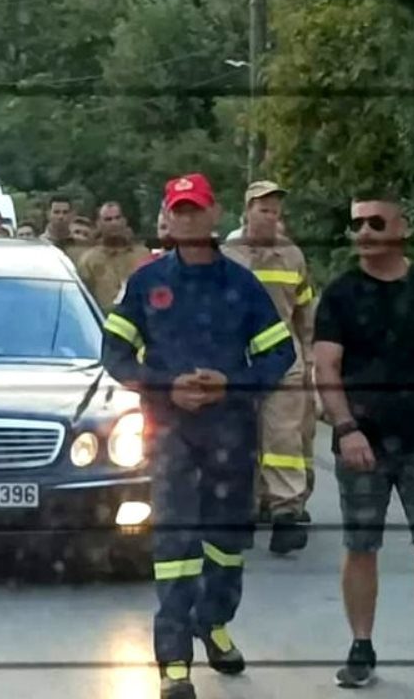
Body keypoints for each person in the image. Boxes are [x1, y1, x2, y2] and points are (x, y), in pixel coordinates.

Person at [101, 173, 295, 699]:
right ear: (167, 217)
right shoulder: (145, 284)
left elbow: (281, 354)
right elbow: (114, 354)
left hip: (230, 431)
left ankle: (213, 622)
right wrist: (165, 386)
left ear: (213, 216)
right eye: (178, 210)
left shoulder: (241, 284)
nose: (187, 219)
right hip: (170, 433)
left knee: (227, 546)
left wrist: (233, 384)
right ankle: (174, 664)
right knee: (176, 543)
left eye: (196, 210)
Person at [313, 188, 414, 692]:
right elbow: (326, 367)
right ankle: (361, 647)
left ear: (402, 228)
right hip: (364, 443)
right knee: (361, 547)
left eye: (375, 223)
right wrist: (346, 428)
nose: (363, 233)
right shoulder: (340, 293)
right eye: (356, 224)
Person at [221, 181, 316, 555]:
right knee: (238, 436)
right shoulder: (227, 256)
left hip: (285, 358)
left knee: (283, 438)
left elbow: (305, 311)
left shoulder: (293, 257)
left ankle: (286, 513)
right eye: (263, 210)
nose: (271, 217)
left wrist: (310, 358)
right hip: (239, 358)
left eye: (276, 211)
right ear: (247, 211)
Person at [76, 201, 150, 313]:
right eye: (108, 219)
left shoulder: (144, 256)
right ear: (98, 224)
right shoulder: (88, 260)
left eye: (117, 218)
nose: (114, 223)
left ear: (124, 221)